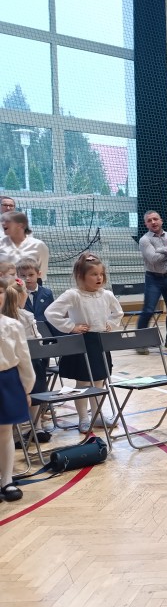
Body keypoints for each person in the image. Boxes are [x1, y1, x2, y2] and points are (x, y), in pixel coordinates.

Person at [45, 253, 123, 432]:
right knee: (83, 383)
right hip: (82, 343)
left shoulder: (107, 295)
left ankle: (97, 415)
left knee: (99, 381)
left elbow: (118, 313)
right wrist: (71, 327)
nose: (99, 278)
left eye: (101, 274)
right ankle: (83, 418)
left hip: (100, 341)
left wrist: (111, 324)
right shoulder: (73, 295)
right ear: (81, 276)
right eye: (94, 274)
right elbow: (51, 313)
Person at [0, 281, 34, 502]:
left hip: (6, 380)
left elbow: (24, 359)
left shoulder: (12, 325)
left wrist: (26, 389)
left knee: (5, 431)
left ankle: (7, 480)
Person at [137, 210, 167, 350]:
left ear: (161, 221)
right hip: (153, 279)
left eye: (155, 219)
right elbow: (153, 259)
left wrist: (160, 250)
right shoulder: (144, 240)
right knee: (148, 310)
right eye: (149, 220)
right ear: (146, 224)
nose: (153, 222)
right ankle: (140, 343)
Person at [0, 210, 49, 281]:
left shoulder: (38, 245)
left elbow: (42, 272)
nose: (3, 223)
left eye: (8, 221)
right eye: (2, 221)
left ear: (20, 225)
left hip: (29, 286)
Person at [17, 258, 56, 337]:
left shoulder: (47, 293)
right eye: (23, 275)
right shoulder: (17, 294)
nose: (27, 278)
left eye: (31, 275)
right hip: (26, 333)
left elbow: (52, 314)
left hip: (46, 332)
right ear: (18, 276)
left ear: (38, 274)